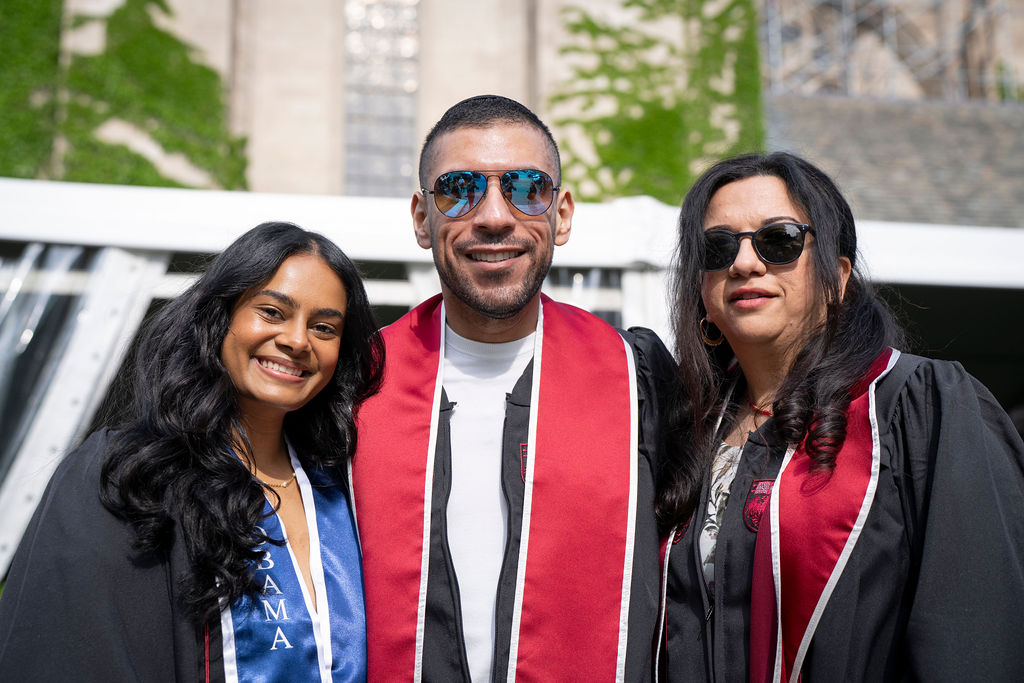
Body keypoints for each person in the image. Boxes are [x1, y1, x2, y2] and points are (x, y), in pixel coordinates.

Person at [656, 151, 1024, 681]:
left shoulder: (918, 407)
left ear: (838, 276)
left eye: (778, 240)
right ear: (701, 292)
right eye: (717, 247)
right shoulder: (686, 431)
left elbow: (977, 633)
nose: (744, 263)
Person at [350, 94, 676, 681]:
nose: (495, 216)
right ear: (423, 219)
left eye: (527, 187)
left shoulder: (638, 380)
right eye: (458, 189)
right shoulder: (353, 384)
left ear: (563, 213)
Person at [0, 222, 384, 681]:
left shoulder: (346, 489)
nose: (298, 340)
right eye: (272, 312)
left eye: (324, 327)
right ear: (221, 318)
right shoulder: (130, 477)